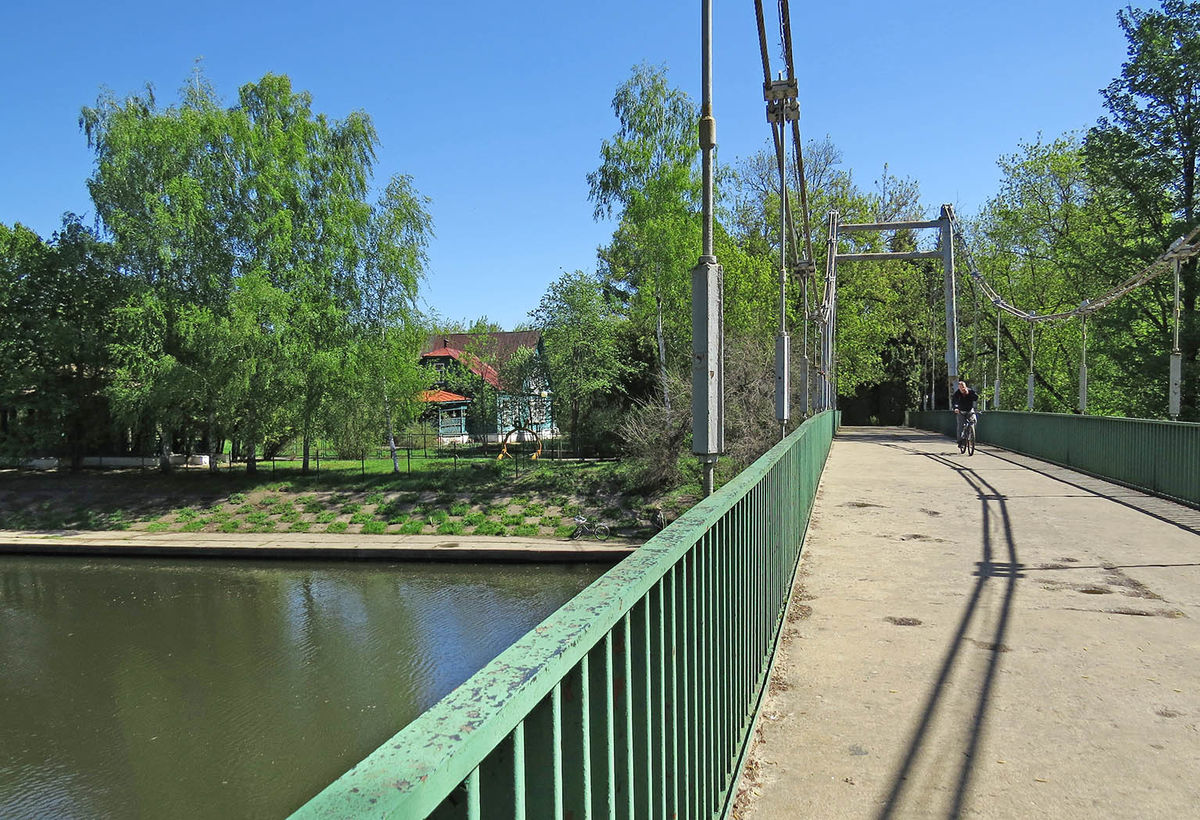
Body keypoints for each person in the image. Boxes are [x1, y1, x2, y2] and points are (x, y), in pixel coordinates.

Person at [951, 380, 979, 445]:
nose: (962, 389)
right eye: (961, 387)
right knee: (960, 426)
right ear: (959, 388)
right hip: (961, 411)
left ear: (965, 386)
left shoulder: (970, 391)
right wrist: (956, 408)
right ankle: (960, 441)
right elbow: (954, 402)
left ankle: (971, 435)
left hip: (969, 410)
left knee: (974, 421)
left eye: (963, 387)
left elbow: (976, 398)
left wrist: (968, 393)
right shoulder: (957, 394)